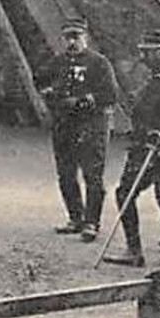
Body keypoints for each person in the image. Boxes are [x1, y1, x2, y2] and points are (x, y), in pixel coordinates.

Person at [102, 30, 160, 268]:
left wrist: (136, 101)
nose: (142, 54)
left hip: (152, 146)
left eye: (148, 51)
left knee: (125, 192)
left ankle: (134, 251)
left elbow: (143, 111)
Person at [34, 17, 117, 242]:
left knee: (92, 175)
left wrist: (86, 100)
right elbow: (39, 81)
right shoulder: (57, 62)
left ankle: (92, 222)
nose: (72, 42)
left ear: (85, 37)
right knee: (66, 174)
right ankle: (75, 217)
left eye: (76, 36)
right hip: (64, 124)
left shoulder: (99, 63)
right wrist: (49, 93)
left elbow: (111, 94)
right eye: (68, 37)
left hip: (91, 125)